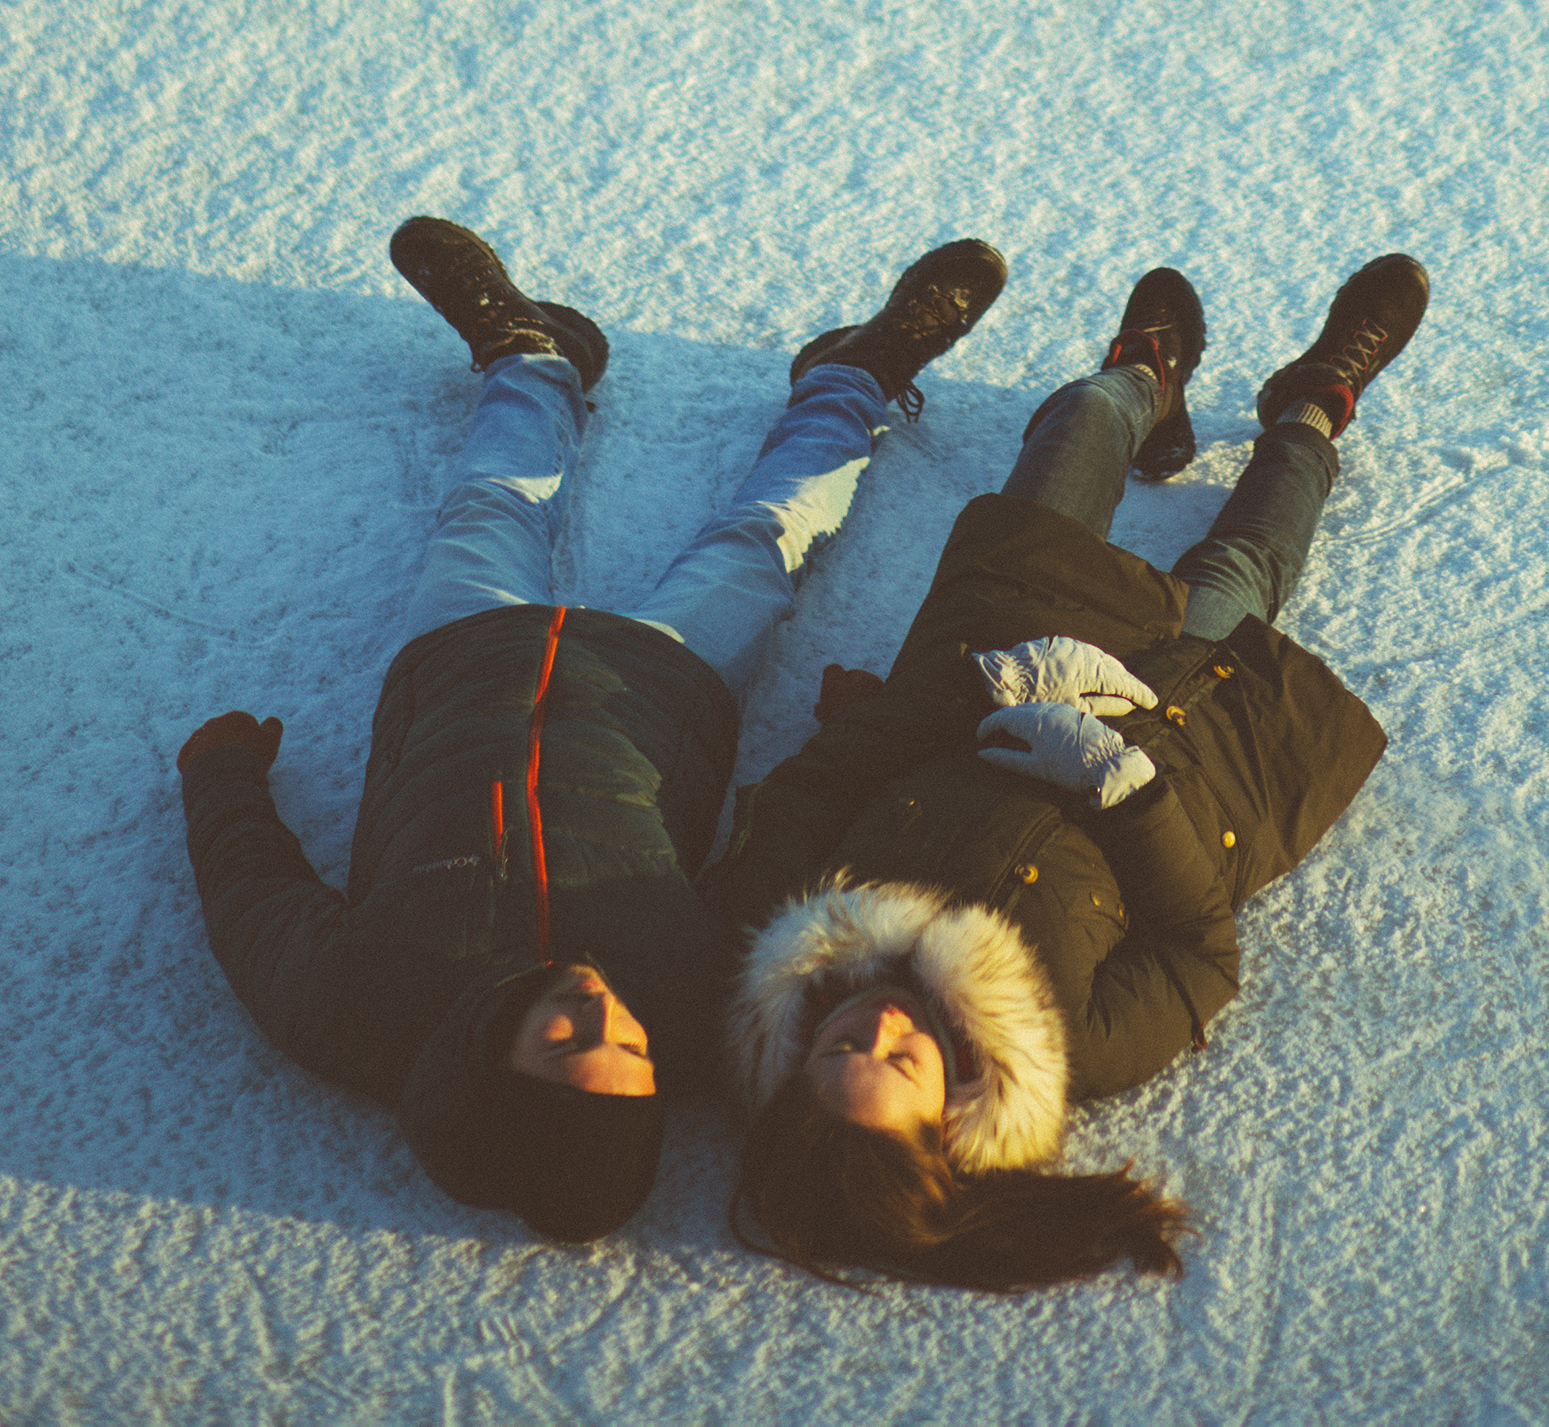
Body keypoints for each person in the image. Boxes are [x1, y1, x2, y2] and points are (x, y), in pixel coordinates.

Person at [175, 216, 1006, 1243]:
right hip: (663, 687)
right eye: (632, 1046)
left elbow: (251, 900)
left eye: (567, 1036)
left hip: (460, 663)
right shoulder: (700, 1004)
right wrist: (853, 730)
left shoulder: (361, 1011)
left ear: (492, 1073)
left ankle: (537, 356)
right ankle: (854, 375)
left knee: (489, 502)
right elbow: (794, 839)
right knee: (770, 533)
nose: (600, 1000)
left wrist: (218, 778)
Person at [712, 253, 1429, 1291]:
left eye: (837, 1054)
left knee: (1071, 444)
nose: (876, 1026)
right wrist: (1118, 786)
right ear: (949, 1119)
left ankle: (1141, 377)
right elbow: (1196, 955)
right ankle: (1311, 407)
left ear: (787, 1079)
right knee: (1241, 565)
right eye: (900, 1063)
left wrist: (986, 685)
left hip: (1002, 651)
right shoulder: (1061, 1046)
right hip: (1172, 729)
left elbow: (814, 781)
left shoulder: (782, 936)